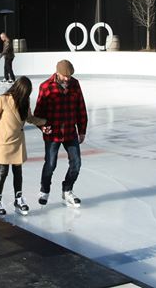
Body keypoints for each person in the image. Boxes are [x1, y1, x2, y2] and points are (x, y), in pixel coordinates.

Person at [0, 77, 46, 216]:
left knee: (18, 171)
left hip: (18, 142)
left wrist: (45, 122)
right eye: (26, 92)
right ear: (19, 89)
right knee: (3, 171)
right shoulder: (3, 99)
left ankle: (18, 199)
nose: (27, 95)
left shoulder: (25, 101)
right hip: (4, 142)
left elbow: (29, 118)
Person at [34, 60, 88, 208]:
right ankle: (44, 190)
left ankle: (67, 190)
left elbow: (81, 107)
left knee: (76, 164)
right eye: (65, 76)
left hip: (70, 131)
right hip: (53, 133)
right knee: (51, 164)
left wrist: (82, 129)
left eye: (69, 76)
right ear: (57, 73)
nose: (67, 79)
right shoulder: (45, 87)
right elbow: (38, 112)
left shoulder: (75, 84)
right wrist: (43, 127)